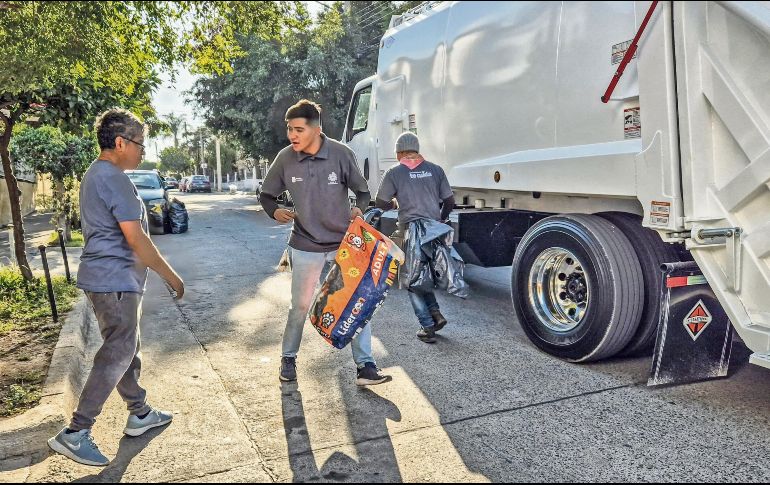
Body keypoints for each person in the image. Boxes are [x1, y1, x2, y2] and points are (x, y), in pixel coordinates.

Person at [48, 108, 185, 467]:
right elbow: (137, 239)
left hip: (109, 281)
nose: (143, 151)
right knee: (118, 351)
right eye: (140, 143)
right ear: (120, 142)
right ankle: (76, 432)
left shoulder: (98, 175)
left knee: (125, 348)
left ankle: (138, 412)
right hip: (115, 281)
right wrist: (171, 276)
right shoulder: (114, 179)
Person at [259, 99, 390, 386]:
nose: (292, 135)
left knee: (356, 302)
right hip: (304, 244)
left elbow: (363, 191)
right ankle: (289, 359)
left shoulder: (342, 154)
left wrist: (360, 208)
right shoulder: (285, 158)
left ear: (317, 129)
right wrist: (274, 210)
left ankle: (365, 367)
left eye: (298, 129)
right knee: (301, 305)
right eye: (289, 130)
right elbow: (266, 194)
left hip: (343, 245)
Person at [375, 132, 455, 344]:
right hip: (434, 232)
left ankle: (427, 326)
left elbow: (380, 202)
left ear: (400, 152)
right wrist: (441, 220)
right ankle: (436, 315)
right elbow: (449, 201)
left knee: (412, 280)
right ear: (417, 149)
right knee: (424, 276)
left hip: (411, 231)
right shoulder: (436, 170)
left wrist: (395, 203)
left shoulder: (395, 172)